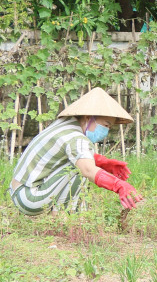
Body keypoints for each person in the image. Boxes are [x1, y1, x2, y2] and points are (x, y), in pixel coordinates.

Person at [9, 87, 143, 216]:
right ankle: (64, 217)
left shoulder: (64, 126)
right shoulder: (75, 137)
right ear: (87, 117)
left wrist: (103, 162)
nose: (106, 131)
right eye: (106, 125)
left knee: (79, 164)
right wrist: (119, 185)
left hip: (20, 192)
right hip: (29, 198)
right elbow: (87, 169)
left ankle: (69, 216)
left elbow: (69, 154)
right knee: (79, 169)